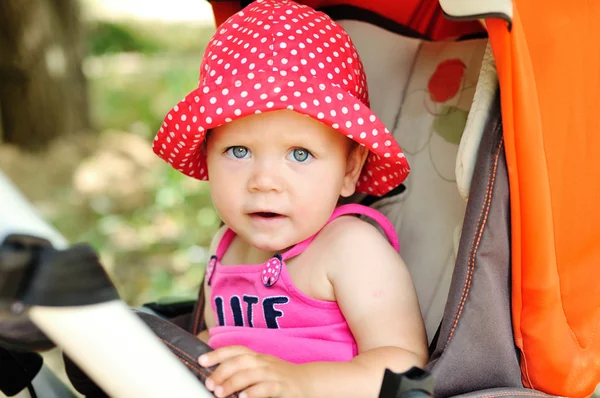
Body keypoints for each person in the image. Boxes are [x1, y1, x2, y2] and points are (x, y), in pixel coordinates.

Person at [152, 0, 428, 397]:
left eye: (300, 154)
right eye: (239, 151)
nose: (264, 182)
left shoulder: (350, 249)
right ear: (207, 156)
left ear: (350, 169)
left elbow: (404, 362)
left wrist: (303, 382)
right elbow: (219, 336)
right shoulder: (225, 245)